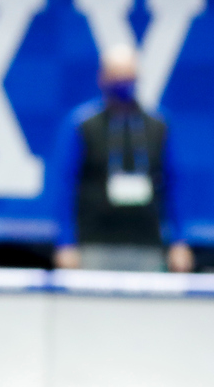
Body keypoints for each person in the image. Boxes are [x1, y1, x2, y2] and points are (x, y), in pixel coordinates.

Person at [51, 44, 193, 273]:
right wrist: (66, 242)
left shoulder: (158, 125)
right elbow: (65, 185)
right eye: (116, 77)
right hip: (95, 244)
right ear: (103, 78)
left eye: (127, 77)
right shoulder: (82, 125)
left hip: (147, 243)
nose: (122, 84)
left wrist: (178, 241)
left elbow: (173, 186)